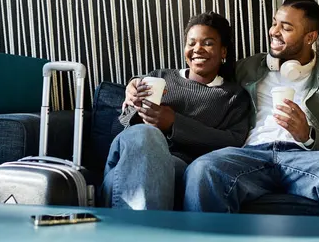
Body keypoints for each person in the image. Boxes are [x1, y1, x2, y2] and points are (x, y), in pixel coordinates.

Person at [183, 0, 319, 218]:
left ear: (310, 37)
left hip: (306, 159)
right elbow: (197, 78)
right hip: (249, 155)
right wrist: (138, 85)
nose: (273, 31)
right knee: (202, 169)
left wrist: (308, 135)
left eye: (285, 28)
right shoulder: (246, 68)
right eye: (275, 22)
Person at [101, 11, 251, 210]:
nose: (197, 49)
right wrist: (134, 105)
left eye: (207, 43)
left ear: (223, 51)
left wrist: (175, 124)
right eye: (191, 43)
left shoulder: (233, 96)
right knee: (145, 135)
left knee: (125, 172)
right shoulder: (159, 77)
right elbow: (121, 127)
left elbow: (233, 141)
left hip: (177, 164)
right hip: (130, 154)